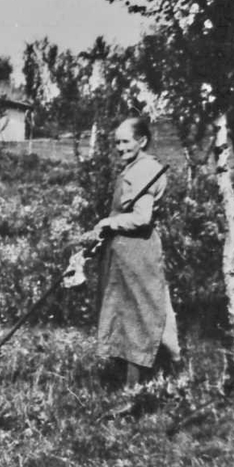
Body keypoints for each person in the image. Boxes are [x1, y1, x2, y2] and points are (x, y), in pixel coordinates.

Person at [82, 116, 180, 388]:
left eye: (126, 141)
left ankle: (136, 386)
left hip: (136, 251)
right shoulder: (135, 167)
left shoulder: (144, 170)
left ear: (142, 141)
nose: (119, 147)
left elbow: (141, 218)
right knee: (125, 312)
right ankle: (140, 377)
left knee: (138, 314)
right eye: (116, 142)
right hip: (124, 252)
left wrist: (109, 222)